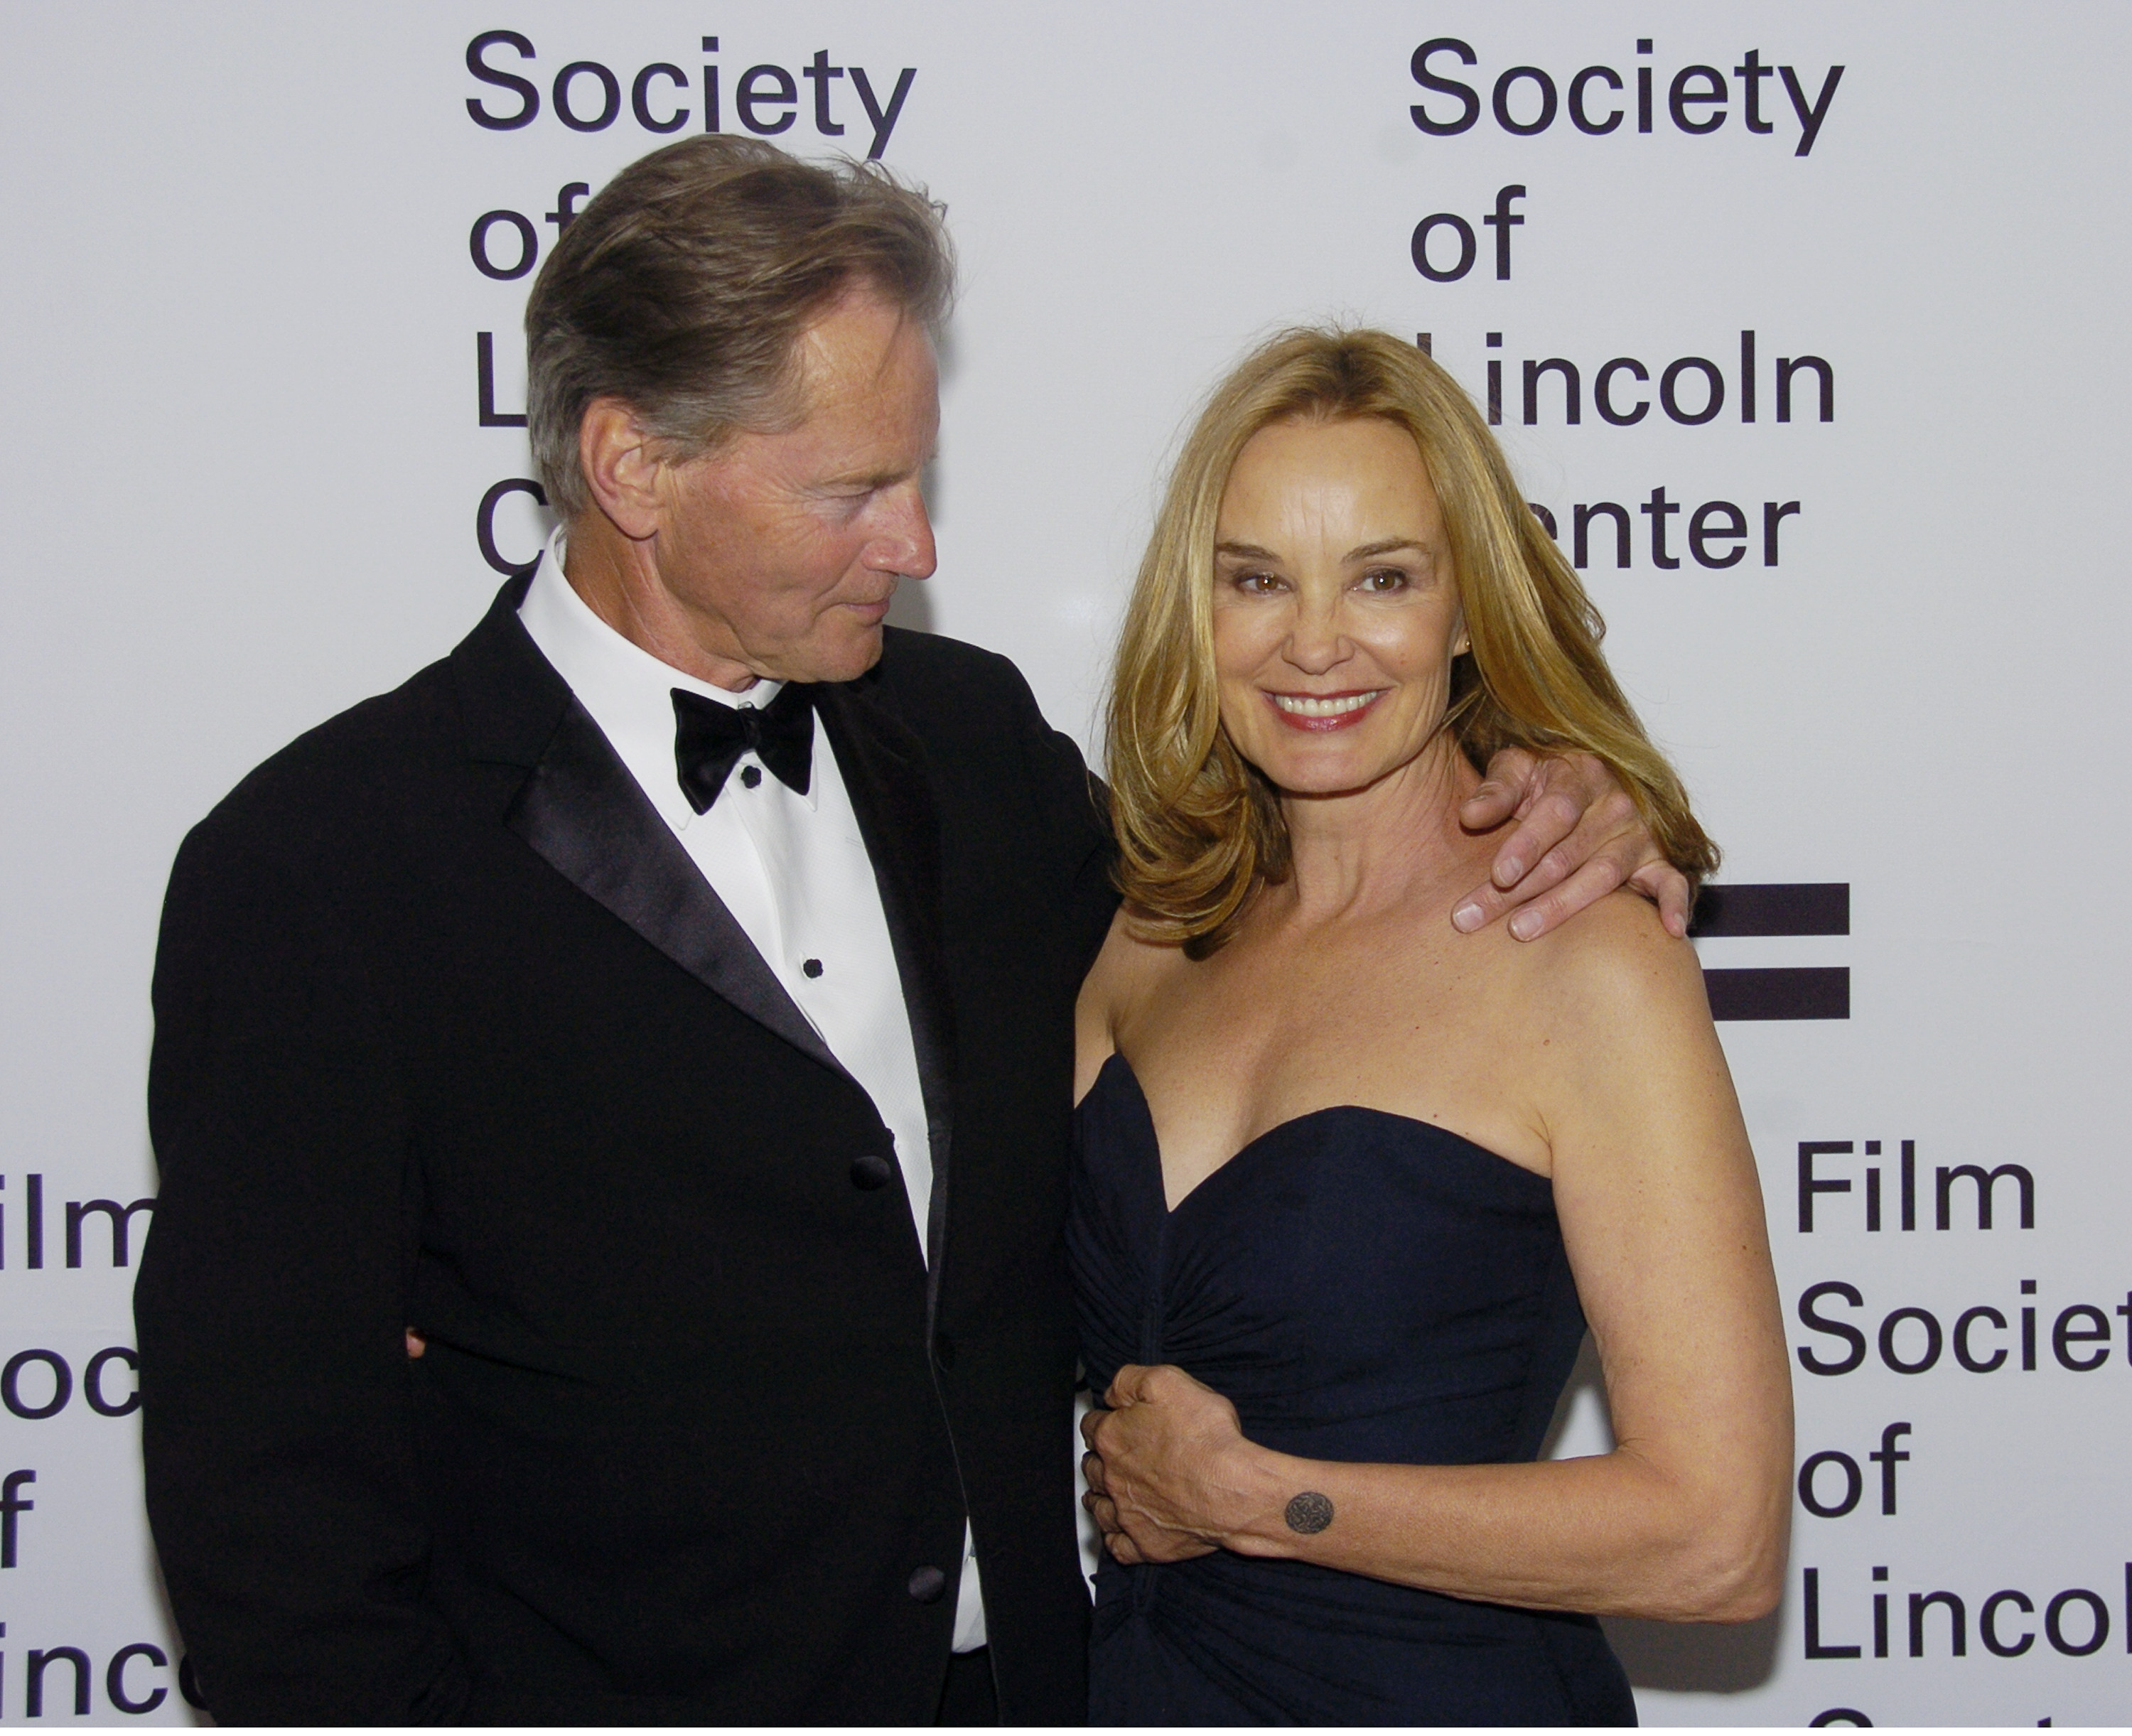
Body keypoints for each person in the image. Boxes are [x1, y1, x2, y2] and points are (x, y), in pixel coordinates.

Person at [135, 139, 1689, 1725]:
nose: (918, 546)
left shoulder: (972, 746)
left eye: (918, 478)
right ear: (634, 469)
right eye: (852, 491)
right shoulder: (325, 871)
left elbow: (1296, 909)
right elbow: (277, 1543)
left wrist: (1550, 783)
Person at [1071, 328, 1792, 1726]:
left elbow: (1719, 1538)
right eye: (1257, 578)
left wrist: (1264, 1499)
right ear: (1194, 607)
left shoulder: (1582, 960)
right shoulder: (1139, 939)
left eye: (1384, 577)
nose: (1317, 640)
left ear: (1467, 608)